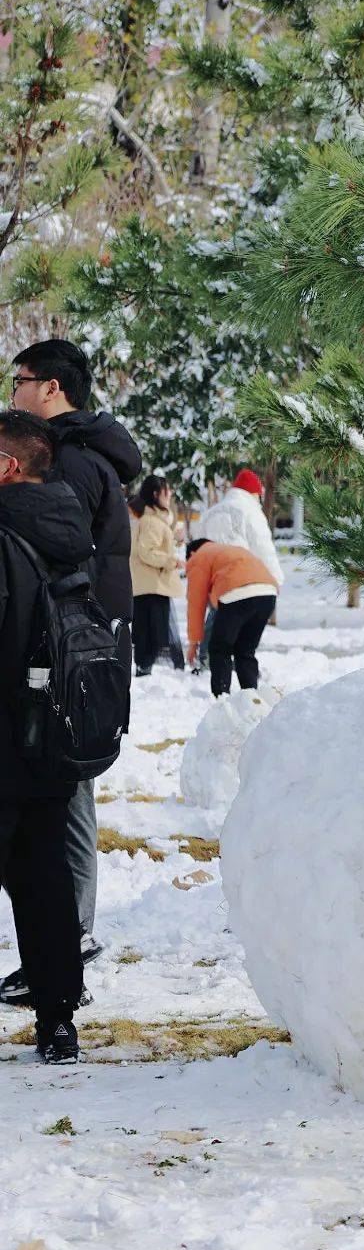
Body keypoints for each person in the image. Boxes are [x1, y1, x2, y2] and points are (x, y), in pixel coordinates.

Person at [6, 339, 141, 997]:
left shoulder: (67, 464)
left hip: (67, 660)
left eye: (20, 380)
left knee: (61, 803)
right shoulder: (86, 458)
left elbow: (54, 563)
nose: (13, 392)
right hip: (82, 654)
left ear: (52, 389)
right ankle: (63, 947)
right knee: (64, 798)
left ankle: (66, 949)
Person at [0, 411, 90, 1062]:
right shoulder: (64, 523)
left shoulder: (5, 528)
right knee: (45, 880)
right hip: (50, 730)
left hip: (5, 728)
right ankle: (58, 1019)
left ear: (7, 467)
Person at [185, 538, 278, 696]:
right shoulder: (229, 550)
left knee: (219, 648)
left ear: (192, 553)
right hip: (268, 593)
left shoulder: (199, 556)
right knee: (245, 650)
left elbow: (196, 601)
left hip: (237, 594)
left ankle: (221, 697)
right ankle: (250, 696)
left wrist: (194, 641)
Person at [130, 475, 185, 676]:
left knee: (148, 634)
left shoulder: (151, 519)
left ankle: (145, 671)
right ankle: (145, 673)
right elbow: (147, 552)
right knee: (151, 635)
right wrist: (172, 561)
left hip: (149, 585)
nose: (169, 494)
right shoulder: (152, 521)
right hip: (151, 586)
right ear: (156, 494)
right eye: (166, 490)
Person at [198, 469, 284, 587]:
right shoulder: (251, 512)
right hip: (243, 585)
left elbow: (201, 550)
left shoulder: (210, 514)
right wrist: (276, 579)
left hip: (216, 586)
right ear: (253, 494)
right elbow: (263, 548)